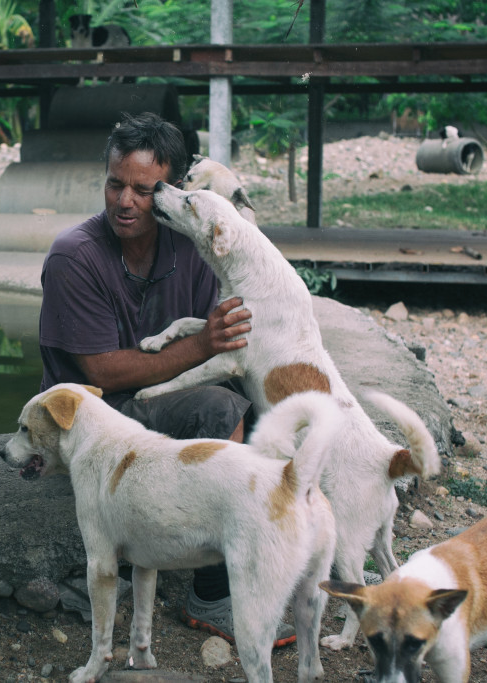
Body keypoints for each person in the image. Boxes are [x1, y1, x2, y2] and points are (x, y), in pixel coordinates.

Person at [39, 111, 293, 646]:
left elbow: (236, 336)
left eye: (141, 189)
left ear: (172, 190)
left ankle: (268, 554)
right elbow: (103, 372)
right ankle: (213, 591)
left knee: (275, 412)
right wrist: (203, 343)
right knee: (222, 410)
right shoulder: (74, 256)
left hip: (167, 397)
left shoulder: (193, 243)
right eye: (115, 184)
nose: (125, 201)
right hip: (98, 418)